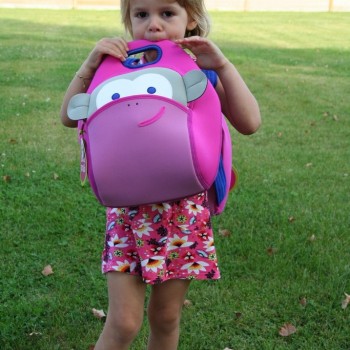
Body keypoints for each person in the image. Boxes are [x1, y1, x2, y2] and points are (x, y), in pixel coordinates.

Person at [60, 0, 261, 349]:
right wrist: (91, 63)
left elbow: (250, 123)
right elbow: (68, 116)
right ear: (128, 20)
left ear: (192, 19)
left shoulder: (201, 72)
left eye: (167, 14)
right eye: (141, 14)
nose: (153, 24)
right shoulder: (117, 70)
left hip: (184, 217)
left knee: (166, 317)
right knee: (123, 322)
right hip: (127, 215)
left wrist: (223, 66)